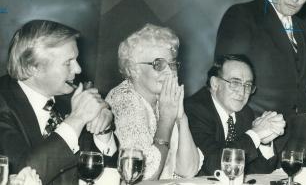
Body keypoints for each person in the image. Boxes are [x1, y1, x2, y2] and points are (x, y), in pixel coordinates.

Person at [0, 20, 117, 185]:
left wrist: (103, 130)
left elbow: (107, 172)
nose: (78, 70)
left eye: (76, 60)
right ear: (34, 67)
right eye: (68, 62)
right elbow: (23, 177)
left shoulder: (69, 97)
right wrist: (76, 119)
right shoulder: (2, 103)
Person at [214, 0, 306, 119]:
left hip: (297, 132)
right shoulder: (243, 15)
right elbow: (227, 83)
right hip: (254, 126)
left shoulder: (303, 29)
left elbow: (303, 86)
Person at [105, 24, 201, 180]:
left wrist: (181, 117)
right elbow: (142, 175)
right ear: (132, 69)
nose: (169, 72)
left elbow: (188, 170)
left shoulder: (163, 100)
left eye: (172, 64)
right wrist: (167, 120)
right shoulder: (123, 99)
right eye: (159, 64)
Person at [185, 54, 286, 175]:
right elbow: (211, 165)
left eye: (247, 85)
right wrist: (256, 134)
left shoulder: (245, 113)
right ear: (215, 83)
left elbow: (258, 173)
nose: (242, 92)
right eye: (235, 83)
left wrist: (264, 142)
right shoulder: (194, 109)